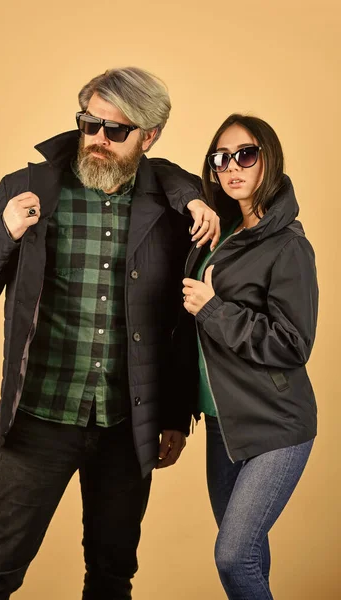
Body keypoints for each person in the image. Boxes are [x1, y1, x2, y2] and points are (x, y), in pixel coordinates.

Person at [0, 67, 219, 600]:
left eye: (115, 130)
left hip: (127, 425)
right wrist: (6, 232)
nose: (97, 139)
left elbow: (174, 325)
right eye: (88, 124)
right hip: (38, 421)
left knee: (112, 574)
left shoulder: (170, 208)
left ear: (149, 136)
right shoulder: (27, 189)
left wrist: (173, 417)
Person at [181, 114, 318, 599]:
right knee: (250, 554)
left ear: (269, 160)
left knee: (233, 554)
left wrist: (215, 310)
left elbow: (293, 344)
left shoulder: (288, 245)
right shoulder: (222, 232)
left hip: (276, 424)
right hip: (225, 426)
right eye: (221, 158)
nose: (232, 167)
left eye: (246, 155)